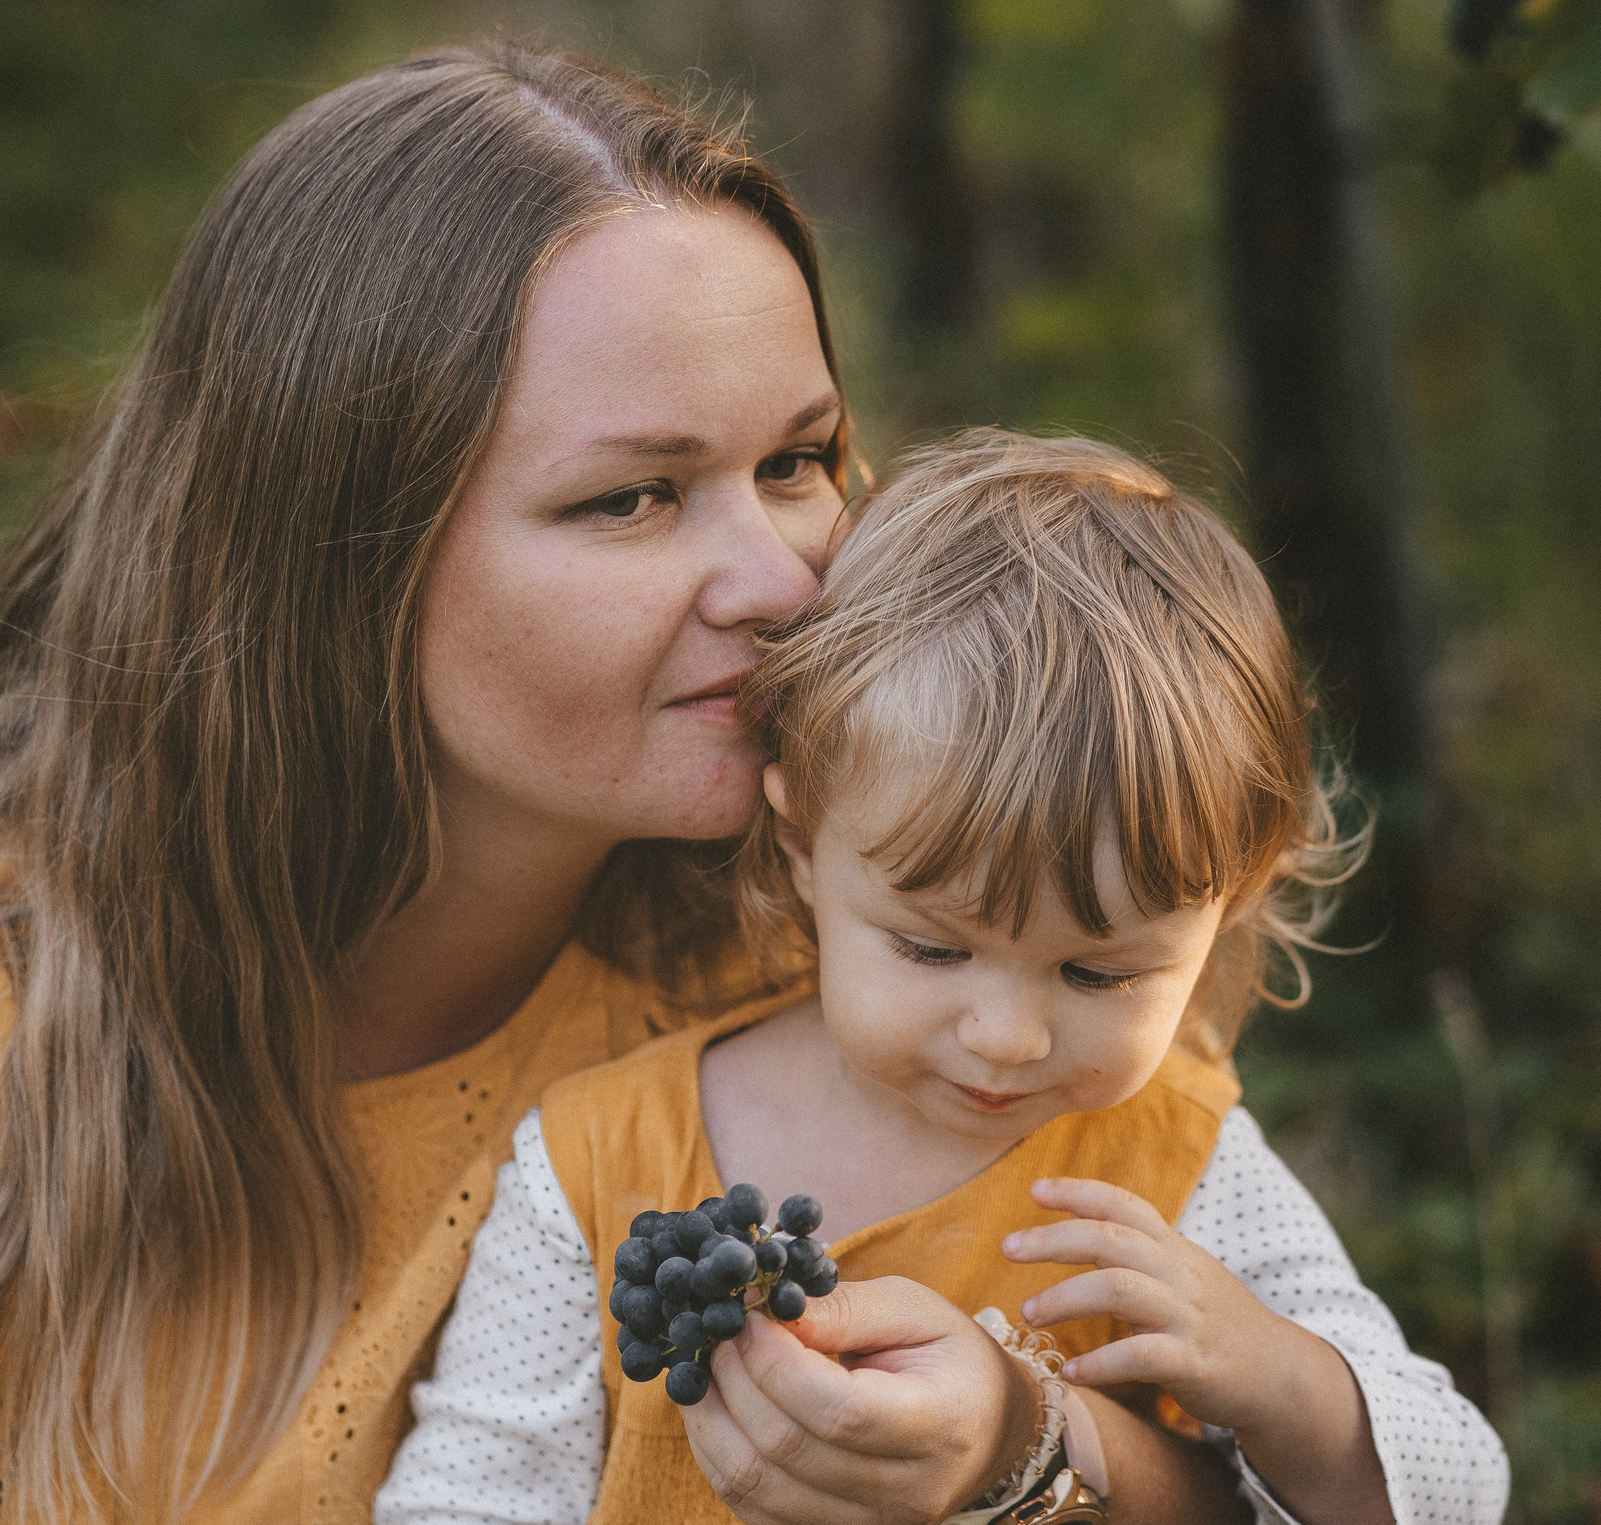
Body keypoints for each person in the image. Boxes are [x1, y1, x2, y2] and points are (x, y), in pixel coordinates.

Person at [0, 50, 1246, 1525]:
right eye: (632, 498)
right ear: (329, 551)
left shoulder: (877, 939)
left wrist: (1031, 1447)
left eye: (798, 461)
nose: (782, 577)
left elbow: (1263, 1461)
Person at [375, 432, 1510, 1525]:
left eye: (1098, 972)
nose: (1007, 1035)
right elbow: (466, 1497)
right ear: (802, 845)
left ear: (1227, 911)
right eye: (931, 948)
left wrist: (1276, 1374)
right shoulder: (595, 1163)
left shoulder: (1174, 1172)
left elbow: (1459, 1491)